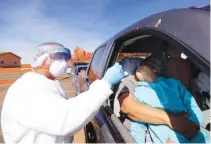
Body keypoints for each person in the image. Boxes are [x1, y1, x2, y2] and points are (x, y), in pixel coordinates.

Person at [1, 42, 125, 143]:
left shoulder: (48, 83)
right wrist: (105, 84)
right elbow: (65, 119)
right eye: (60, 57)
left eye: (66, 58)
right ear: (45, 60)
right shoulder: (28, 87)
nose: (66, 63)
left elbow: (62, 107)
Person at [116, 56, 202, 142]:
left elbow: (192, 105)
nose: (139, 68)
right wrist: (172, 121)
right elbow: (129, 109)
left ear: (155, 70)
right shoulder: (134, 86)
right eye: (138, 66)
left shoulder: (173, 84)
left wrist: (193, 125)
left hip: (190, 130)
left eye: (144, 66)